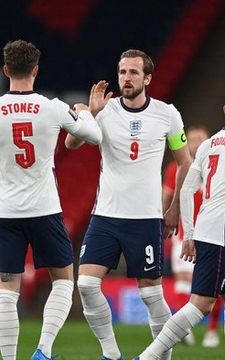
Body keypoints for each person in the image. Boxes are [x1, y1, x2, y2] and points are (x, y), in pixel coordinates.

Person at [0, 40, 103, 360]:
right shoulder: (52, 106)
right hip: (45, 209)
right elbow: (94, 137)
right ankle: (42, 350)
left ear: (5, 70)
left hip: (7, 211)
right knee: (63, 281)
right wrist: (87, 112)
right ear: (36, 70)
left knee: (7, 289)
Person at [65, 49, 192, 360]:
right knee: (86, 284)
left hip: (146, 217)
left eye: (134, 73)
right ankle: (111, 355)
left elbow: (185, 162)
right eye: (123, 72)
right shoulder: (104, 111)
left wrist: (175, 207)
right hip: (106, 215)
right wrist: (90, 113)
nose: (126, 78)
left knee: (151, 293)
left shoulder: (167, 114)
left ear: (147, 78)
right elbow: (71, 144)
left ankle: (161, 358)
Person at [135, 86, 225, 360]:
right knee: (202, 304)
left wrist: (189, 233)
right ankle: (148, 357)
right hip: (221, 235)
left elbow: (185, 190)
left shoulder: (208, 144)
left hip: (217, 232)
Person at [161, 125, 210, 346]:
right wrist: (162, 219)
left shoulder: (216, 166)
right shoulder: (176, 169)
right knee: (182, 278)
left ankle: (212, 330)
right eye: (192, 139)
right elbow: (167, 195)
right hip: (184, 230)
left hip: (210, 231)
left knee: (212, 283)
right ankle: (185, 328)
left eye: (200, 138)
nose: (196, 143)